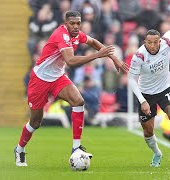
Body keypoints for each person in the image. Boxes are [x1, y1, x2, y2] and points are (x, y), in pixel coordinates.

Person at [14, 11, 128, 166]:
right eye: (72, 23)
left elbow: (93, 42)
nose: (75, 26)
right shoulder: (61, 35)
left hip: (58, 78)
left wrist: (114, 58)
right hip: (40, 80)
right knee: (35, 122)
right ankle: (19, 149)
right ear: (65, 23)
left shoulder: (76, 34)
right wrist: (97, 55)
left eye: (78, 23)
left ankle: (76, 147)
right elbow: (71, 61)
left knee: (78, 101)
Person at [128, 29, 170, 167]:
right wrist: (143, 101)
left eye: (155, 42)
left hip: (165, 88)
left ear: (159, 41)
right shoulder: (139, 56)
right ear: (144, 42)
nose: (152, 46)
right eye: (149, 43)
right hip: (146, 93)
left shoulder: (166, 43)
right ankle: (157, 153)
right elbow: (131, 80)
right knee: (148, 131)